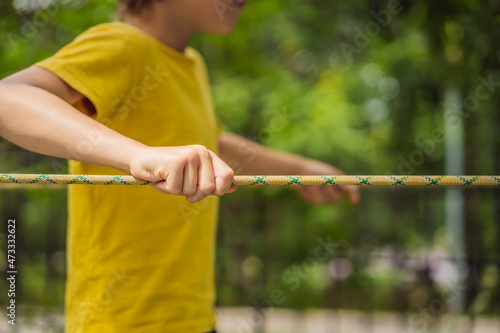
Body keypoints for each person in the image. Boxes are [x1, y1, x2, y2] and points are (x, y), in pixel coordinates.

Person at [0, 0, 359, 332]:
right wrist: (141, 155)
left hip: (193, 320)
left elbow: (211, 143)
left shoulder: (192, 63)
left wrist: (298, 169)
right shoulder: (121, 42)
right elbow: (9, 98)